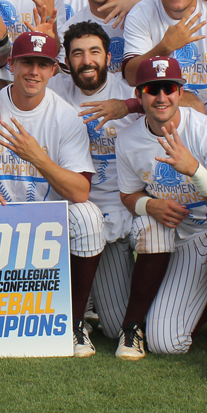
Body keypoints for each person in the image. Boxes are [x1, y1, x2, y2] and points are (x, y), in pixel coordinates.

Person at [115, 56, 207, 378]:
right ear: (139, 94)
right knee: (166, 342)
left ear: (180, 92)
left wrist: (194, 169)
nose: (161, 97)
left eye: (168, 88)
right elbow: (128, 195)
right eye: (152, 90)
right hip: (190, 239)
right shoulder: (128, 139)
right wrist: (147, 205)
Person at [0, 32, 104, 356]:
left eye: (43, 64)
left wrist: (38, 157)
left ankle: (74, 323)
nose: (34, 72)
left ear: (53, 71)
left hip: (48, 222)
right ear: (12, 64)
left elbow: (81, 190)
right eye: (27, 62)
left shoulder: (65, 116)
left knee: (88, 217)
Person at [54, 22, 141, 353]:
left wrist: (128, 106)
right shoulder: (56, 90)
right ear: (67, 59)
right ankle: (76, 317)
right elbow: (7, 88)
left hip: (122, 209)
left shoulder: (128, 89)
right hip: (76, 209)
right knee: (84, 218)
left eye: (94, 52)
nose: (86, 60)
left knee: (118, 322)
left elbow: (188, 104)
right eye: (77, 53)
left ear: (108, 57)